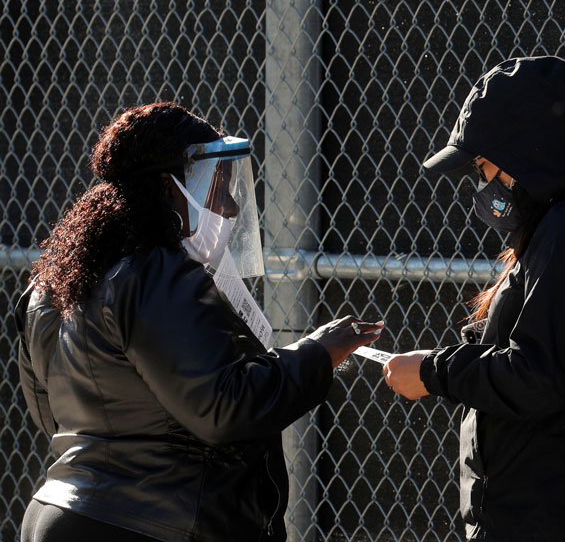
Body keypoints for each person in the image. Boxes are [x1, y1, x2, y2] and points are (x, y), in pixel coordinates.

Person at [15, 102, 383, 542]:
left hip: (58, 513)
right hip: (152, 524)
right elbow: (223, 408)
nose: (229, 206)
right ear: (171, 188)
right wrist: (317, 353)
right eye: (217, 187)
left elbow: (51, 415)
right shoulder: (155, 273)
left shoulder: (51, 285)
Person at [382, 56, 565, 540]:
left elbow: (540, 376)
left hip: (555, 515)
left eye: (484, 165)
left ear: (526, 151)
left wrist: (434, 372)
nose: (483, 183)